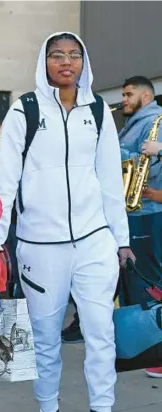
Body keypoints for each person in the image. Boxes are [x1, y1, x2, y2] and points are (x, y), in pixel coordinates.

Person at [0, 32, 135, 412]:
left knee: (101, 333)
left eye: (74, 55)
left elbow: (109, 180)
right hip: (40, 246)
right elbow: (5, 184)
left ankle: (102, 407)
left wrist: (121, 240)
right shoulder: (24, 110)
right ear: (45, 61)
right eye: (57, 55)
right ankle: (47, 406)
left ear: (83, 62)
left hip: (94, 241)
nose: (66, 62)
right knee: (44, 337)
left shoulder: (99, 111)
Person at [118, 76, 162, 379]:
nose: (123, 99)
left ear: (145, 97)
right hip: (135, 210)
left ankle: (154, 349)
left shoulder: (154, 121)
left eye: (128, 94)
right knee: (139, 278)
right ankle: (141, 344)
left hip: (147, 210)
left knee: (150, 278)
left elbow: (151, 165)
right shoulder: (135, 122)